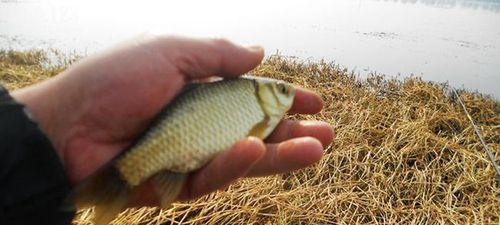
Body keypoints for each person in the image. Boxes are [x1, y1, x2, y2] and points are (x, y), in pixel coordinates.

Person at [0, 35, 334, 224]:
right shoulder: (260, 111)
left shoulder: (262, 110)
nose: (286, 96)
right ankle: (109, 184)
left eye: (284, 91)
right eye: (282, 91)